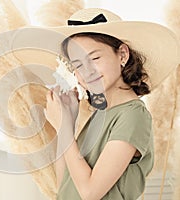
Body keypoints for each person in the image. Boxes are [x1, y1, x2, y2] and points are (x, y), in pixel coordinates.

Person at [43, 8, 180, 200]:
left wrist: (63, 127)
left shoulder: (133, 115)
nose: (87, 71)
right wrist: (67, 124)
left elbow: (90, 193)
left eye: (94, 58)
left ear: (122, 55)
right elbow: (65, 186)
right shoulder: (101, 115)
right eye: (78, 65)